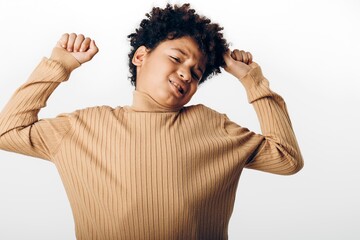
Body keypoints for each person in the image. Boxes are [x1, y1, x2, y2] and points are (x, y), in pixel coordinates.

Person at [0, 3, 303, 240]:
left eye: (196, 73)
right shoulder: (80, 127)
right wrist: (57, 67)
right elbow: (7, 131)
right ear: (141, 56)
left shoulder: (213, 127)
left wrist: (253, 82)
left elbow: (287, 159)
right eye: (177, 58)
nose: (186, 73)